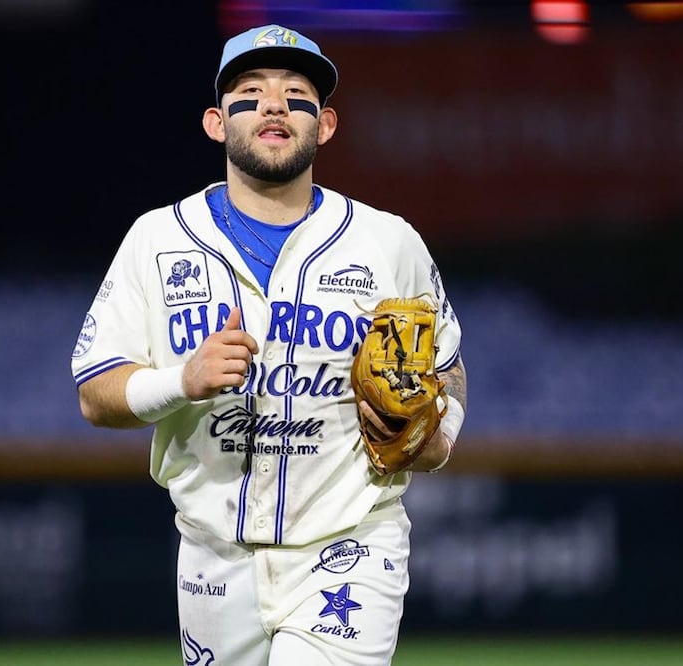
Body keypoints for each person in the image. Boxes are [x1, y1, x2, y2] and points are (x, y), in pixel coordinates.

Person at [71, 24, 467, 666]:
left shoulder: (388, 241)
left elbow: (447, 371)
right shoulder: (156, 239)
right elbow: (95, 392)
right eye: (250, 92)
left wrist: (434, 441)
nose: (274, 104)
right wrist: (183, 379)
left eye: (295, 93)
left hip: (348, 546)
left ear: (326, 124)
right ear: (215, 123)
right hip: (211, 556)